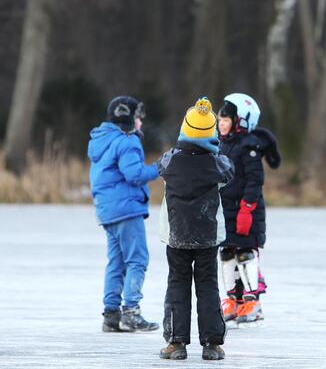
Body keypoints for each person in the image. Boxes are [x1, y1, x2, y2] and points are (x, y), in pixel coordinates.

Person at [158, 97, 234, 361]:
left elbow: (161, 165)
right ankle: (212, 344)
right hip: (207, 236)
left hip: (177, 235)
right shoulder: (217, 164)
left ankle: (176, 342)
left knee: (177, 285)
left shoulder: (171, 161)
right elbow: (229, 172)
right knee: (208, 287)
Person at [88, 96, 160, 333]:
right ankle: (131, 311)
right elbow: (135, 174)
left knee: (116, 262)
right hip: (126, 209)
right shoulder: (127, 142)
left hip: (107, 211)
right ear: (128, 118)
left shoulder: (102, 140)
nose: (141, 123)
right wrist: (161, 167)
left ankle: (111, 315)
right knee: (137, 259)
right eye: (138, 118)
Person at [217, 93, 281, 327]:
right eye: (220, 119)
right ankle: (234, 300)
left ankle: (252, 302)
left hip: (246, 210)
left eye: (226, 119)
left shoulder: (249, 146)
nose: (221, 123)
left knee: (245, 253)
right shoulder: (221, 143)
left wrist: (247, 208)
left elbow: (255, 180)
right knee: (226, 253)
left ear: (241, 120)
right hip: (225, 210)